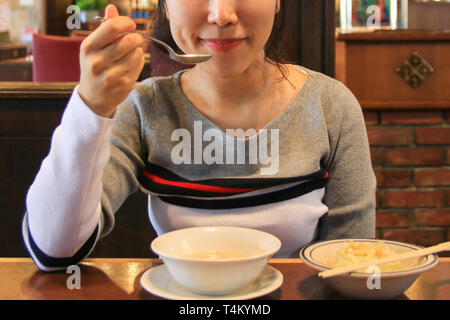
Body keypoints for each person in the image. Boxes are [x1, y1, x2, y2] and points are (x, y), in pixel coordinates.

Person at [23, 1, 376, 271]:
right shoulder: (145, 107)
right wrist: (91, 108)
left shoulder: (331, 106)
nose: (221, 15)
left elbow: (350, 263)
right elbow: (54, 250)